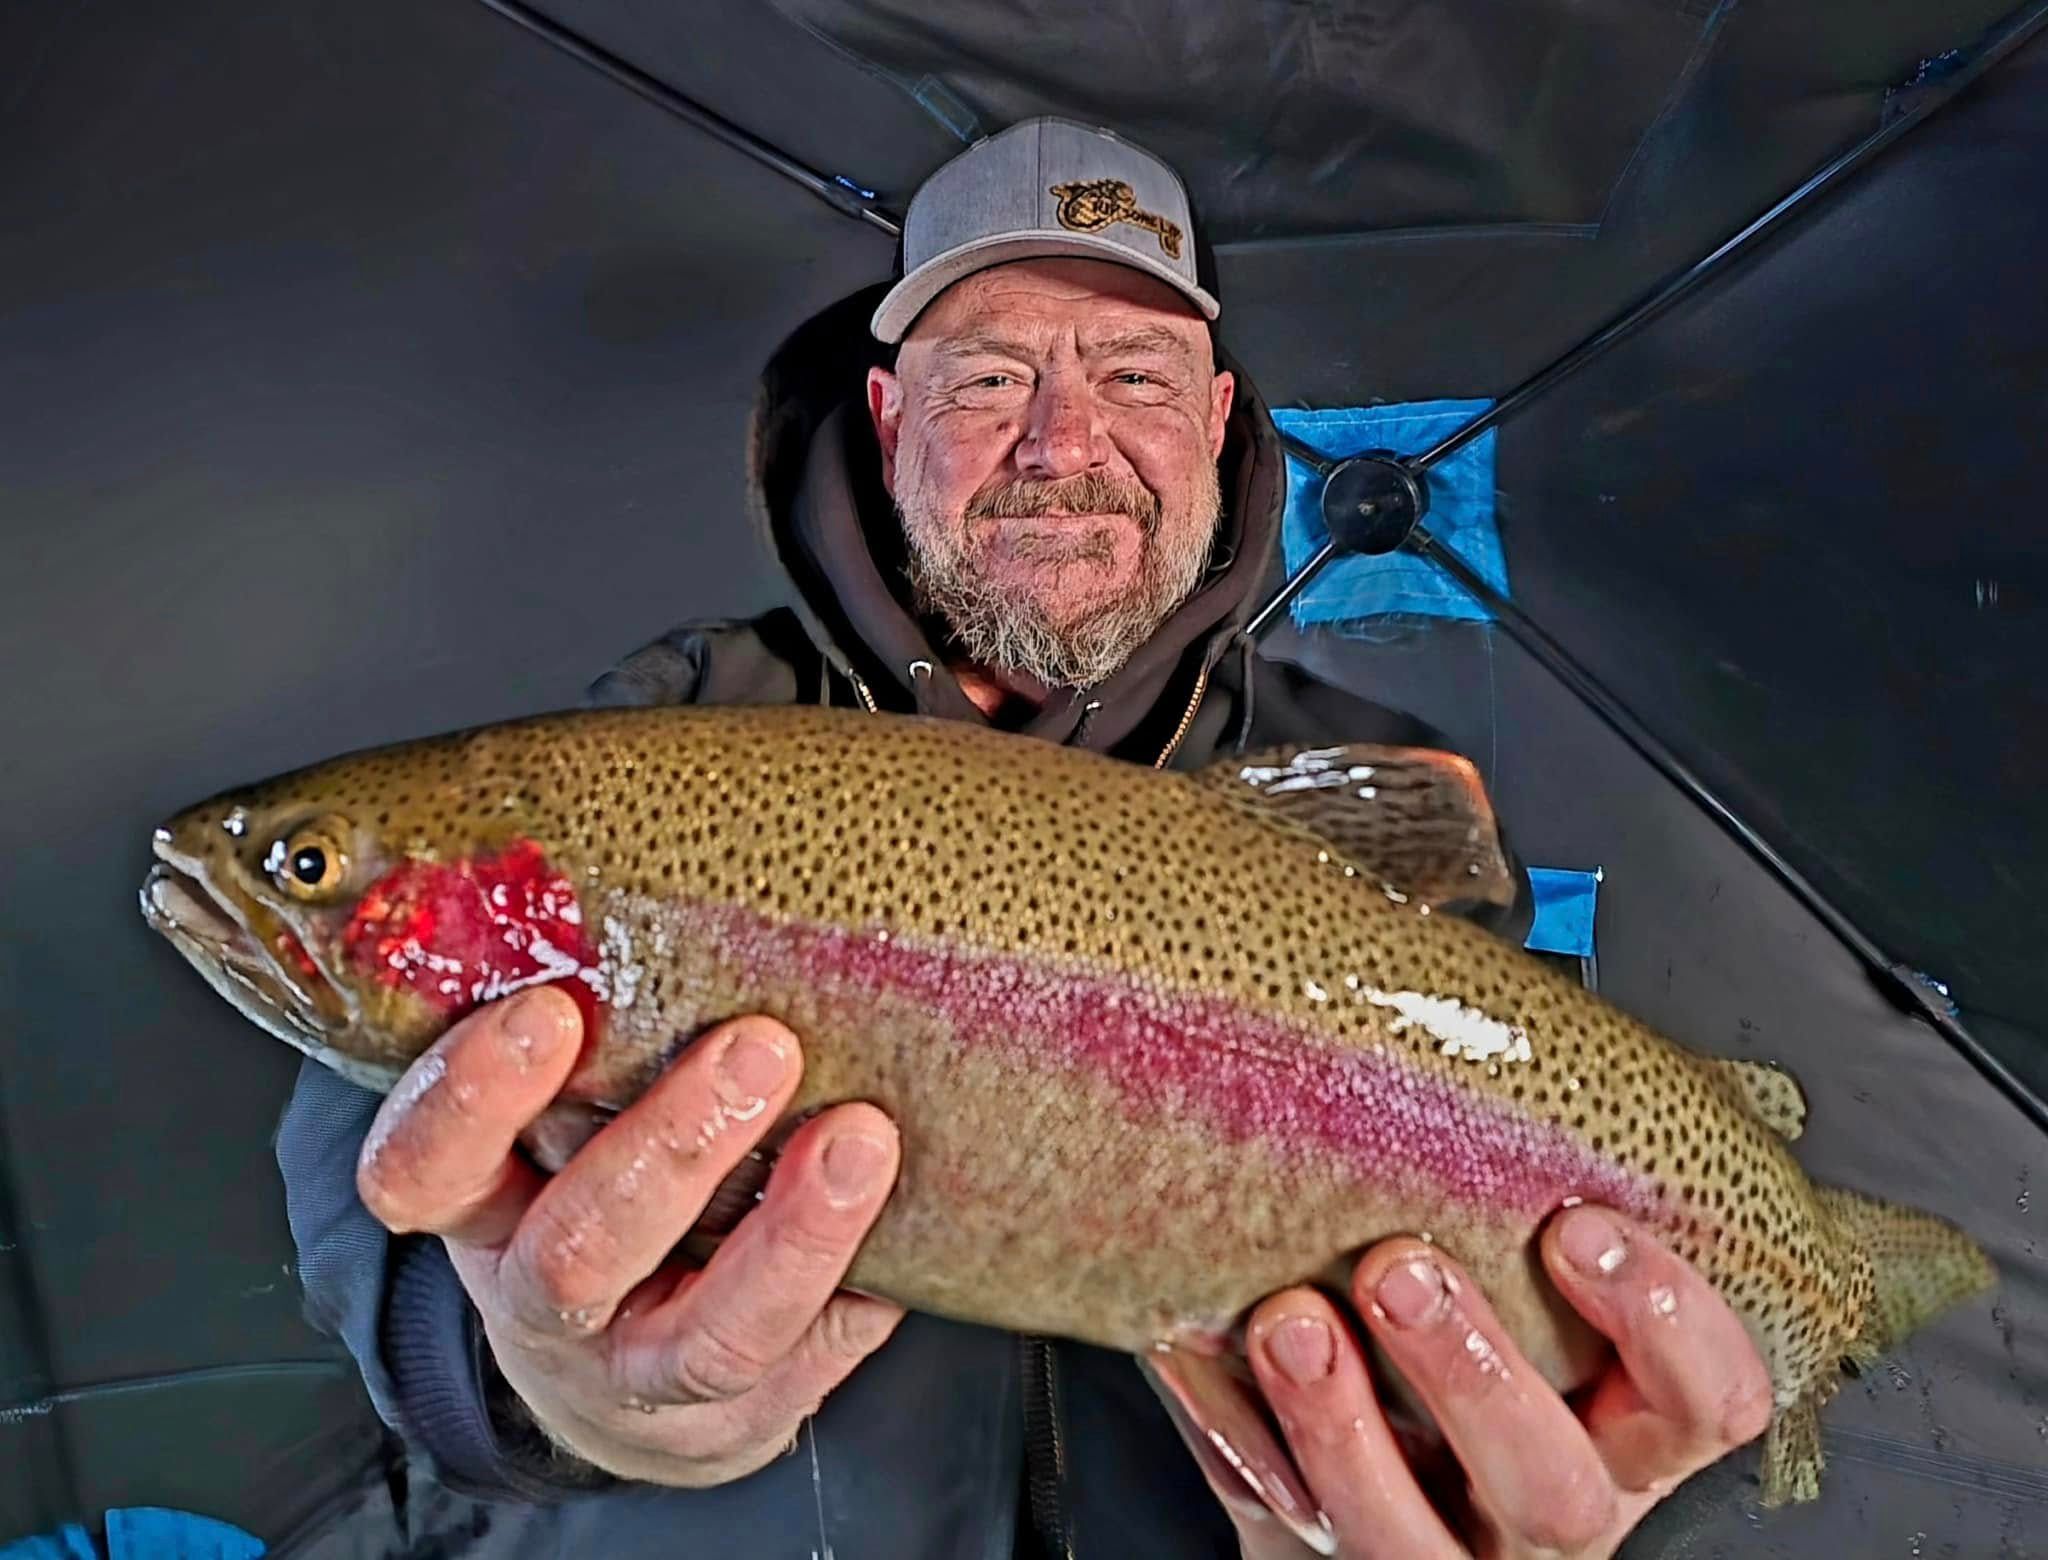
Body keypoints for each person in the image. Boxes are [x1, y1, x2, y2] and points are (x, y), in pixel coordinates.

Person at [276, 117, 1771, 1558]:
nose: (1067, 442)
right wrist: (527, 1374)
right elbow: (385, 1168)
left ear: (1219, 417)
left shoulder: (1381, 789)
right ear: (888, 416)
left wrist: (1466, 1482)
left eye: (1136, 371)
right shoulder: (687, 723)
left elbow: (1510, 1167)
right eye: (991, 377)